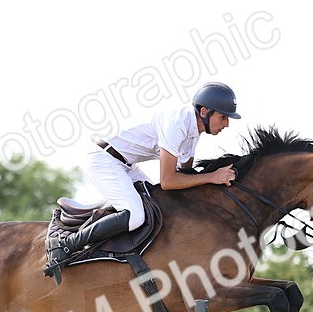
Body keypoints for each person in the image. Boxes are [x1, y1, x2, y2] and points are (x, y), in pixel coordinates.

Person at [44, 82, 241, 279]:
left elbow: (186, 174)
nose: (226, 124)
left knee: (159, 205)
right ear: (205, 112)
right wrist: (213, 177)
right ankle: (67, 245)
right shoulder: (177, 124)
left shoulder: (194, 132)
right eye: (223, 117)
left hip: (125, 164)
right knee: (135, 215)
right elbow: (168, 181)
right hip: (103, 159)